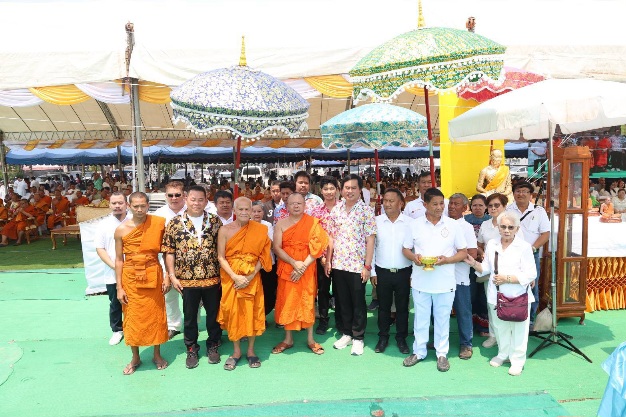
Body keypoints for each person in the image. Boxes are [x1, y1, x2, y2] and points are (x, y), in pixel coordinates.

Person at [402, 188, 467, 372]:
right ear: (425, 205)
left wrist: (447, 260)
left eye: (441, 204)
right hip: (421, 281)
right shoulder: (414, 225)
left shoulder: (453, 225)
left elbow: (463, 252)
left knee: (443, 319)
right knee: (420, 319)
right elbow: (405, 249)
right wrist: (414, 257)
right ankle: (419, 352)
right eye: (435, 204)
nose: (439, 207)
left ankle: (442, 354)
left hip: (445, 281)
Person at [466, 211, 537, 376]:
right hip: (496, 294)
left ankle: (517, 360)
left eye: (510, 227)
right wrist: (473, 263)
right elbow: (486, 268)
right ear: (498, 227)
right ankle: (503, 354)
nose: (506, 230)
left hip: (518, 295)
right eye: (503, 226)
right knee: (500, 328)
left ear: (517, 228)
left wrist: (507, 278)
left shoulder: (524, 247)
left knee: (519, 330)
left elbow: (530, 274)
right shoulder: (492, 244)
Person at [162, 185, 223, 369]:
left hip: (212, 277)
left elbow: (222, 249)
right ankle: (191, 348)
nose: (196, 203)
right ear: (186, 199)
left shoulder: (215, 221)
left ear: (206, 201)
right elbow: (169, 251)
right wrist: (172, 276)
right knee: (190, 317)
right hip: (186, 280)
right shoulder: (174, 223)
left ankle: (213, 344)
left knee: (213, 314)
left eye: (200, 200)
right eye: (193, 199)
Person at [114, 192, 169, 375]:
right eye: (135, 206)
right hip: (130, 278)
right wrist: (119, 287)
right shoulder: (121, 230)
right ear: (129, 206)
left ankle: (157, 354)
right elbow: (119, 260)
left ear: (148, 206)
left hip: (153, 273)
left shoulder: (158, 224)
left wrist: (168, 276)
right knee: (132, 317)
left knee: (155, 314)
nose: (139, 209)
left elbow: (167, 252)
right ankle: (135, 357)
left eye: (143, 206)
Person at [217, 197, 272, 371]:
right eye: (240, 209)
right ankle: (236, 352)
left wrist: (251, 275)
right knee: (233, 312)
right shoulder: (224, 230)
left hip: (251, 277)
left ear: (251, 211)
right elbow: (221, 257)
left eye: (247, 209)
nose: (243, 212)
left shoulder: (260, 229)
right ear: (234, 210)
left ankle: (250, 350)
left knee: (252, 312)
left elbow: (263, 256)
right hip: (231, 278)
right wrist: (235, 277)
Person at [272, 193, 329, 355]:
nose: (296, 206)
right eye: (292, 203)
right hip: (287, 267)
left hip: (307, 267)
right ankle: (288, 339)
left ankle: (310, 339)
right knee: (287, 300)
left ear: (304, 205)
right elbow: (277, 247)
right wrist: (293, 263)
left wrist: (302, 266)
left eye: (299, 203)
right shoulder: (281, 224)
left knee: (307, 300)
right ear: (287, 206)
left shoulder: (312, 223)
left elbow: (318, 247)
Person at [327, 174, 376, 356]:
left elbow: (370, 240)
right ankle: (346, 333)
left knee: (358, 302)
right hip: (339, 264)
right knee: (342, 301)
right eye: (346, 188)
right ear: (341, 190)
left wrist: (367, 266)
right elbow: (331, 237)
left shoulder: (366, 211)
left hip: (357, 266)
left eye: (353, 188)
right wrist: (329, 260)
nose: (349, 191)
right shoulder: (336, 210)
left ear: (360, 190)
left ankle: (358, 337)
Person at [371, 188, 413, 355]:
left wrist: (413, 274)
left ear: (401, 203)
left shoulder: (410, 223)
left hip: (404, 272)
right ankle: (383, 337)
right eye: (385, 201)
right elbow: (372, 248)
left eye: (391, 201)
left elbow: (415, 249)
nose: (387, 204)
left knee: (403, 308)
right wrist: (373, 272)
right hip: (382, 272)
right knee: (383, 308)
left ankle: (401, 338)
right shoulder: (376, 221)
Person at [507, 181, 550, 324]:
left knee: (532, 286)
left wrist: (533, 248)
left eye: (525, 191)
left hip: (532, 254)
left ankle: (530, 319)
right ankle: (511, 315)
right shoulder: (507, 210)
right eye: (518, 191)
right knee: (512, 285)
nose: (521, 194)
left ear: (531, 194)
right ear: (513, 194)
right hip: (511, 254)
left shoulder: (539, 211)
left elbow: (545, 234)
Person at [477, 193, 511, 348]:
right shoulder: (485, 225)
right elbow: (479, 245)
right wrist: (482, 253)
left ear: (504, 206)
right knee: (492, 304)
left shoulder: (512, 224)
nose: (493, 208)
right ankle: (493, 336)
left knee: (508, 304)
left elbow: (521, 248)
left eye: (497, 205)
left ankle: (508, 337)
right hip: (489, 271)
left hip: (509, 273)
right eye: (490, 206)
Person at [94, 192, 129, 345]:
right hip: (112, 271)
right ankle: (117, 330)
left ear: (127, 204)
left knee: (134, 301)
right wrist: (114, 266)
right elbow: (100, 248)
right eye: (114, 203)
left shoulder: (134, 222)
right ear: (109, 205)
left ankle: (134, 328)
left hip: (133, 270)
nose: (117, 206)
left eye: (120, 203)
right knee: (115, 302)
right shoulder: (103, 224)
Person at [447, 193, 478, 360]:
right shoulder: (443, 224)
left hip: (460, 277)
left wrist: (450, 258)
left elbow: (472, 253)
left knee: (463, 311)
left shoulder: (466, 227)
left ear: (465, 208)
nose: (452, 206)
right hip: (441, 277)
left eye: (456, 204)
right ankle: (439, 340)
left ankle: (466, 344)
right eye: (450, 203)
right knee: (439, 312)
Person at [153, 181, 186, 340]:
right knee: (169, 294)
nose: (174, 198)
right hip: (166, 259)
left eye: (177, 195)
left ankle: (193, 323)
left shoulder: (194, 211)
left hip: (191, 261)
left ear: (184, 195)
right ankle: (173, 325)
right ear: (165, 196)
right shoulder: (158, 215)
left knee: (193, 296)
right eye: (170, 195)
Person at [309, 176, 339, 335]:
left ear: (337, 190)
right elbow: (313, 236)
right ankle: (323, 319)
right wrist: (321, 257)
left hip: (342, 258)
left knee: (340, 290)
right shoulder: (315, 211)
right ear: (321, 191)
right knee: (323, 290)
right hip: (322, 259)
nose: (329, 192)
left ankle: (341, 320)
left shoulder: (343, 208)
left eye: (332, 188)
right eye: (326, 189)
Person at [251, 201, 278, 319]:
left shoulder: (267, 225)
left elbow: (272, 245)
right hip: (251, 264)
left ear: (263, 213)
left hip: (267, 263)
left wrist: (262, 234)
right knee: (254, 292)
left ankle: (263, 316)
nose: (256, 214)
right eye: (254, 211)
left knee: (268, 291)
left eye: (259, 211)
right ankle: (254, 317)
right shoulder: (246, 225)